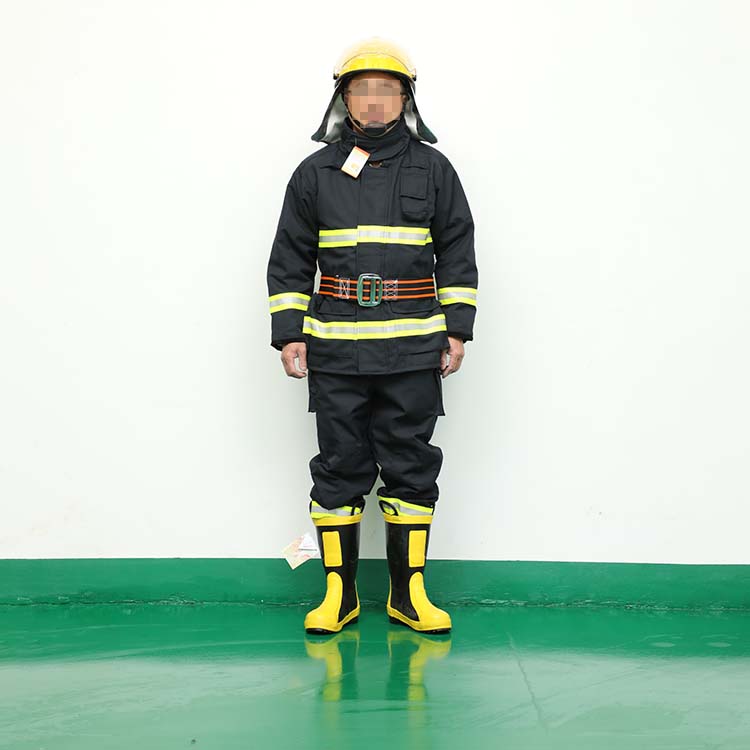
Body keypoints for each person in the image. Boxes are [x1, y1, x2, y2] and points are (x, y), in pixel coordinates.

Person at [266, 37, 478, 635]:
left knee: (412, 465)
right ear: (344, 99)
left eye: (388, 89)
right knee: (339, 466)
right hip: (336, 349)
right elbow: (290, 258)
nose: (376, 101)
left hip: (413, 351)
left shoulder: (435, 170)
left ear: (406, 99)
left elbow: (457, 251)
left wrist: (457, 329)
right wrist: (289, 334)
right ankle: (340, 596)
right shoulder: (314, 173)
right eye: (363, 90)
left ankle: (409, 596)